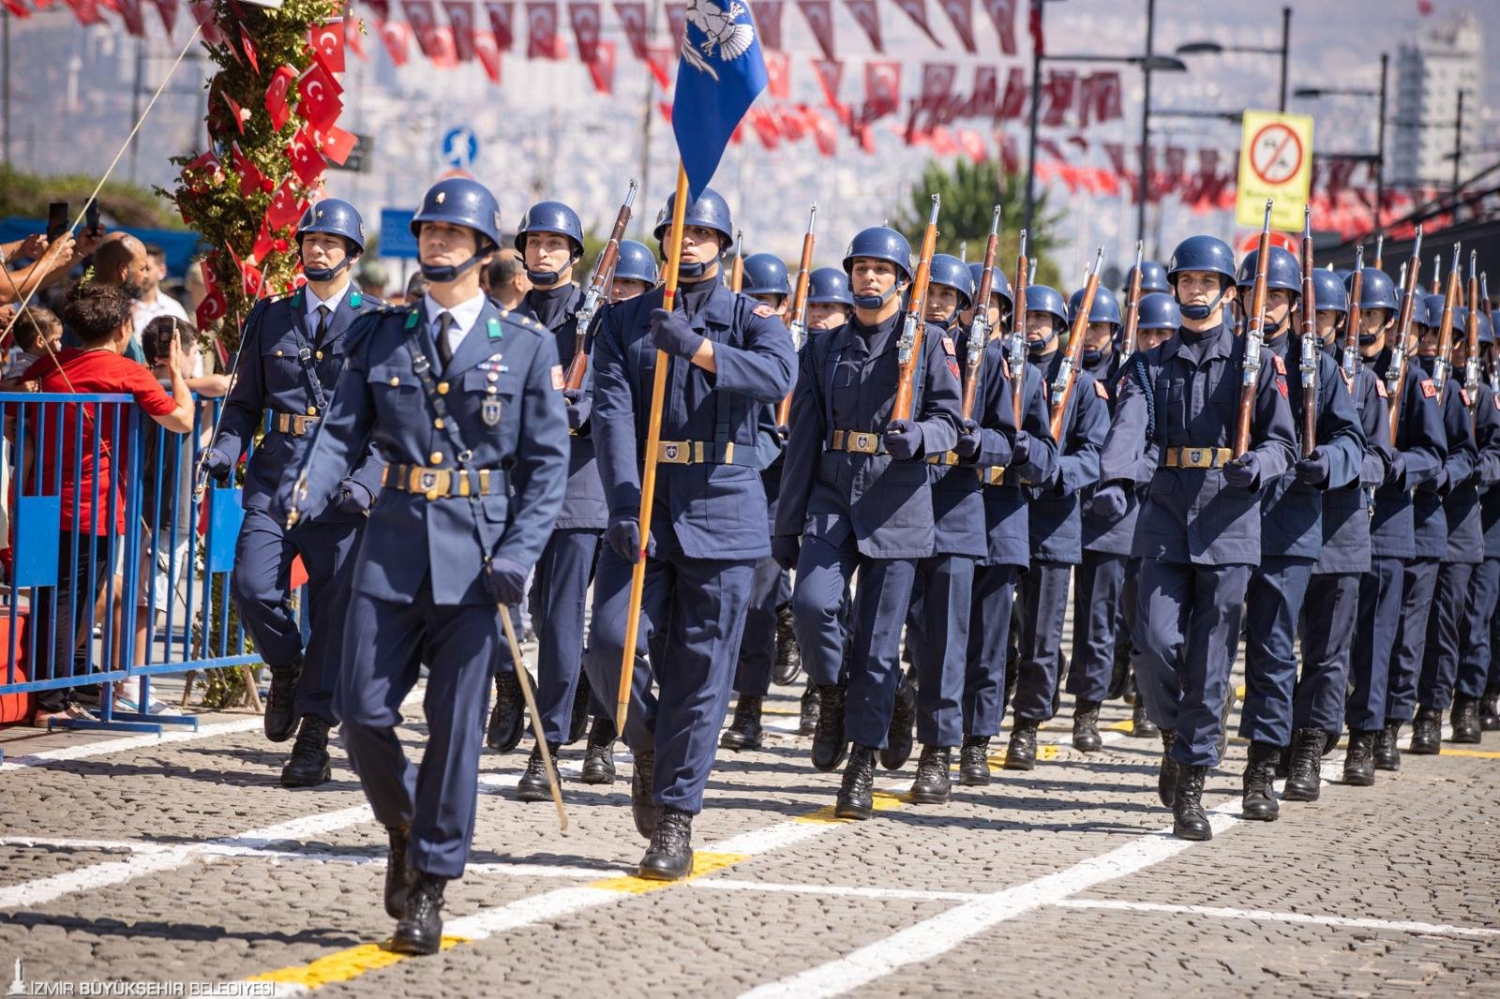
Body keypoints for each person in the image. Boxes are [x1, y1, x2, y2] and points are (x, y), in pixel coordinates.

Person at [274, 177, 567, 952]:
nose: (436, 241)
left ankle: (430, 881)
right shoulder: (383, 335)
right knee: (361, 709)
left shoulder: (524, 345)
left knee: (455, 725)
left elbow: (546, 468)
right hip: (393, 546)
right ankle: (403, 821)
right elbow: (342, 428)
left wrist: (520, 552)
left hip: (478, 557)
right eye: (429, 230)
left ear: (482, 248)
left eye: (452, 232)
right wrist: (310, 481)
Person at [582, 188, 794, 879]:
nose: (691, 241)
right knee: (610, 642)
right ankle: (648, 743)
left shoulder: (753, 318)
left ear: (723, 244)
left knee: (702, 673)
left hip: (723, 505)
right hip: (645, 501)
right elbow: (612, 414)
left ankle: (676, 816)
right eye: (680, 230)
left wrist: (700, 351)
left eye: (704, 232)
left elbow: (777, 377)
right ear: (664, 239)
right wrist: (623, 503)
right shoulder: (623, 320)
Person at [1092, 234, 1296, 841]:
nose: (1197, 290)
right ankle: (1173, 732)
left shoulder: (1257, 362)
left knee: (1211, 660)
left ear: (1229, 293)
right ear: (1175, 288)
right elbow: (1130, 427)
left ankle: (1192, 783)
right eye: (1187, 281)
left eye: (1208, 282)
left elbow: (1283, 442)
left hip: (1230, 521)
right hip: (1165, 516)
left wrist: (1258, 466)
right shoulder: (1150, 364)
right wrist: (1114, 480)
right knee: (1154, 641)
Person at [775, 225, 961, 820]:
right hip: (832, 494)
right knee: (811, 605)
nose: (869, 277)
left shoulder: (931, 344)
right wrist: (786, 524)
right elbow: (803, 437)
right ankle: (831, 692)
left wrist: (922, 437)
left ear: (903, 281)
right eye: (861, 268)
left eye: (881, 269)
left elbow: (951, 422)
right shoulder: (822, 348)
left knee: (880, 648)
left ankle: (861, 761)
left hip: (897, 499)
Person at [202, 199, 386, 788]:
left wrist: (368, 481)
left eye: (330, 242)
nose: (317, 249)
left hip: (341, 491)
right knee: (252, 586)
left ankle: (313, 739)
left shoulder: (378, 323)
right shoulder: (270, 316)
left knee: (332, 617)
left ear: (351, 254)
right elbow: (243, 404)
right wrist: (225, 449)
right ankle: (285, 665)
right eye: (310, 240)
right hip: (275, 479)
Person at [22, 282, 193, 725]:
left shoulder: (53, 362)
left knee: (53, 597)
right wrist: (177, 372)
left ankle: (60, 686)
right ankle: (51, 702)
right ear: (121, 329)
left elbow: (14, 386)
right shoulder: (126, 372)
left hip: (41, 500)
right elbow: (182, 419)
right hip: (90, 506)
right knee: (72, 602)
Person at [1230, 247, 1362, 820]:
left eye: (1277, 296)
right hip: (1218, 520)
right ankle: (1185, 742)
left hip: (1288, 521)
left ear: (1292, 305)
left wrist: (1326, 461)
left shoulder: (1319, 369)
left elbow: (1351, 439)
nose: (1265, 306)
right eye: (1256, 295)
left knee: (1274, 649)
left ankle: (1264, 765)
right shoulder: (1225, 353)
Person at [501, 199, 609, 800]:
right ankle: (510, 683)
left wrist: (579, 407)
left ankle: (549, 747)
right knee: (512, 609)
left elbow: (607, 395)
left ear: (573, 254)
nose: (543, 253)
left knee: (561, 620)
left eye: (555, 244)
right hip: (515, 482)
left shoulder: (600, 320)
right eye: (535, 243)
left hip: (575, 485)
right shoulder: (507, 320)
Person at [954, 264, 1057, 785]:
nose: (981, 313)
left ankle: (976, 739)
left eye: (991, 304)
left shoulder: (1026, 376)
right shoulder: (941, 361)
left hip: (1000, 518)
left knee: (989, 643)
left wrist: (1020, 449)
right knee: (929, 636)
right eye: (972, 303)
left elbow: (1046, 457)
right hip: (945, 515)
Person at [894, 253, 987, 800]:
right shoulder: (897, 349)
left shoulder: (986, 360)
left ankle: (937, 752)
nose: (934, 304)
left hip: (954, 511)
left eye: (947, 297)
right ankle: (896, 698)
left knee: (946, 643)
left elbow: (1016, 438)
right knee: (885, 632)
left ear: (962, 306)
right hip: (896, 509)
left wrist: (978, 443)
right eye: (929, 293)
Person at [1294, 269, 1391, 789]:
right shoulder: (1278, 370)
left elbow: (1379, 458)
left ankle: (1310, 745)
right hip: (1283, 528)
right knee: (1275, 647)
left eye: (1325, 315)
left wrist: (1335, 464)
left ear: (1339, 320)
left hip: (1340, 527)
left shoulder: (1364, 383)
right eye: (1307, 314)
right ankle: (1279, 736)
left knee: (1329, 652)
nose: (1314, 323)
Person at [1004, 283, 1107, 769]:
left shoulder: (1082, 386)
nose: (1033, 327)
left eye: (1042, 320)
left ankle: (1026, 724)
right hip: (1002, 516)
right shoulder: (1003, 371)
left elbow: (1093, 454)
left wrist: (1054, 471)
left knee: (1041, 639)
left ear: (1060, 328)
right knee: (997, 631)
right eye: (1027, 318)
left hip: (1053, 521)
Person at [1348, 279, 1446, 778]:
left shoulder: (1411, 378)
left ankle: (1369, 734)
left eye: (1373, 314)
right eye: (1357, 312)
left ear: (1390, 321)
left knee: (1379, 638)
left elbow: (1434, 454)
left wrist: (1394, 465)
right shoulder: (1334, 369)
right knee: (1326, 639)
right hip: (1334, 523)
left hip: (1386, 523)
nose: (1363, 323)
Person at [721, 250, 795, 753]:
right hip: (725, 484)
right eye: (750, 297)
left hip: (773, 493)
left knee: (757, 605)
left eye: (768, 299)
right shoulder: (722, 345)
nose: (758, 307)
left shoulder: (793, 351)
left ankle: (749, 707)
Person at [1407, 295, 1482, 753]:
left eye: (1442, 335)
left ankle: (1432, 711)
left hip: (1454, 525)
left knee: (1444, 626)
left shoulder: (1457, 392)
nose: (1433, 341)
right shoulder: (1406, 383)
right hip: (1407, 522)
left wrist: (1442, 474)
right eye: (1428, 332)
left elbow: (1471, 455)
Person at [133, 244, 189, 339]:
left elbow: (190, 344)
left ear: (162, 271)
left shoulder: (173, 309)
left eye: (147, 269)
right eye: (140, 269)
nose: (143, 274)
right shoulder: (125, 308)